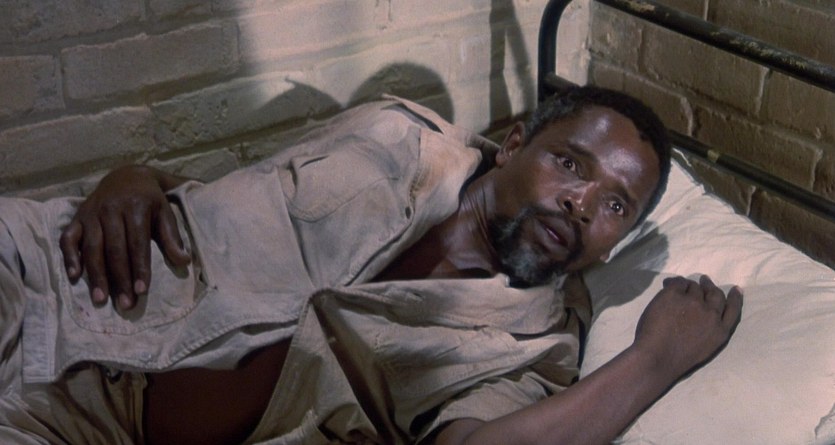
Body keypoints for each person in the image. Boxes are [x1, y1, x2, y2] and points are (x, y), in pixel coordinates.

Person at [0, 86, 742, 445]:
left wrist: (653, 361)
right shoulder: (396, 133)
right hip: (48, 274)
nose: (581, 203)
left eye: (614, 206)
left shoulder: (531, 347)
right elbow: (243, 197)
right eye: (570, 164)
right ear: (514, 145)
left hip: (86, 429)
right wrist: (137, 177)